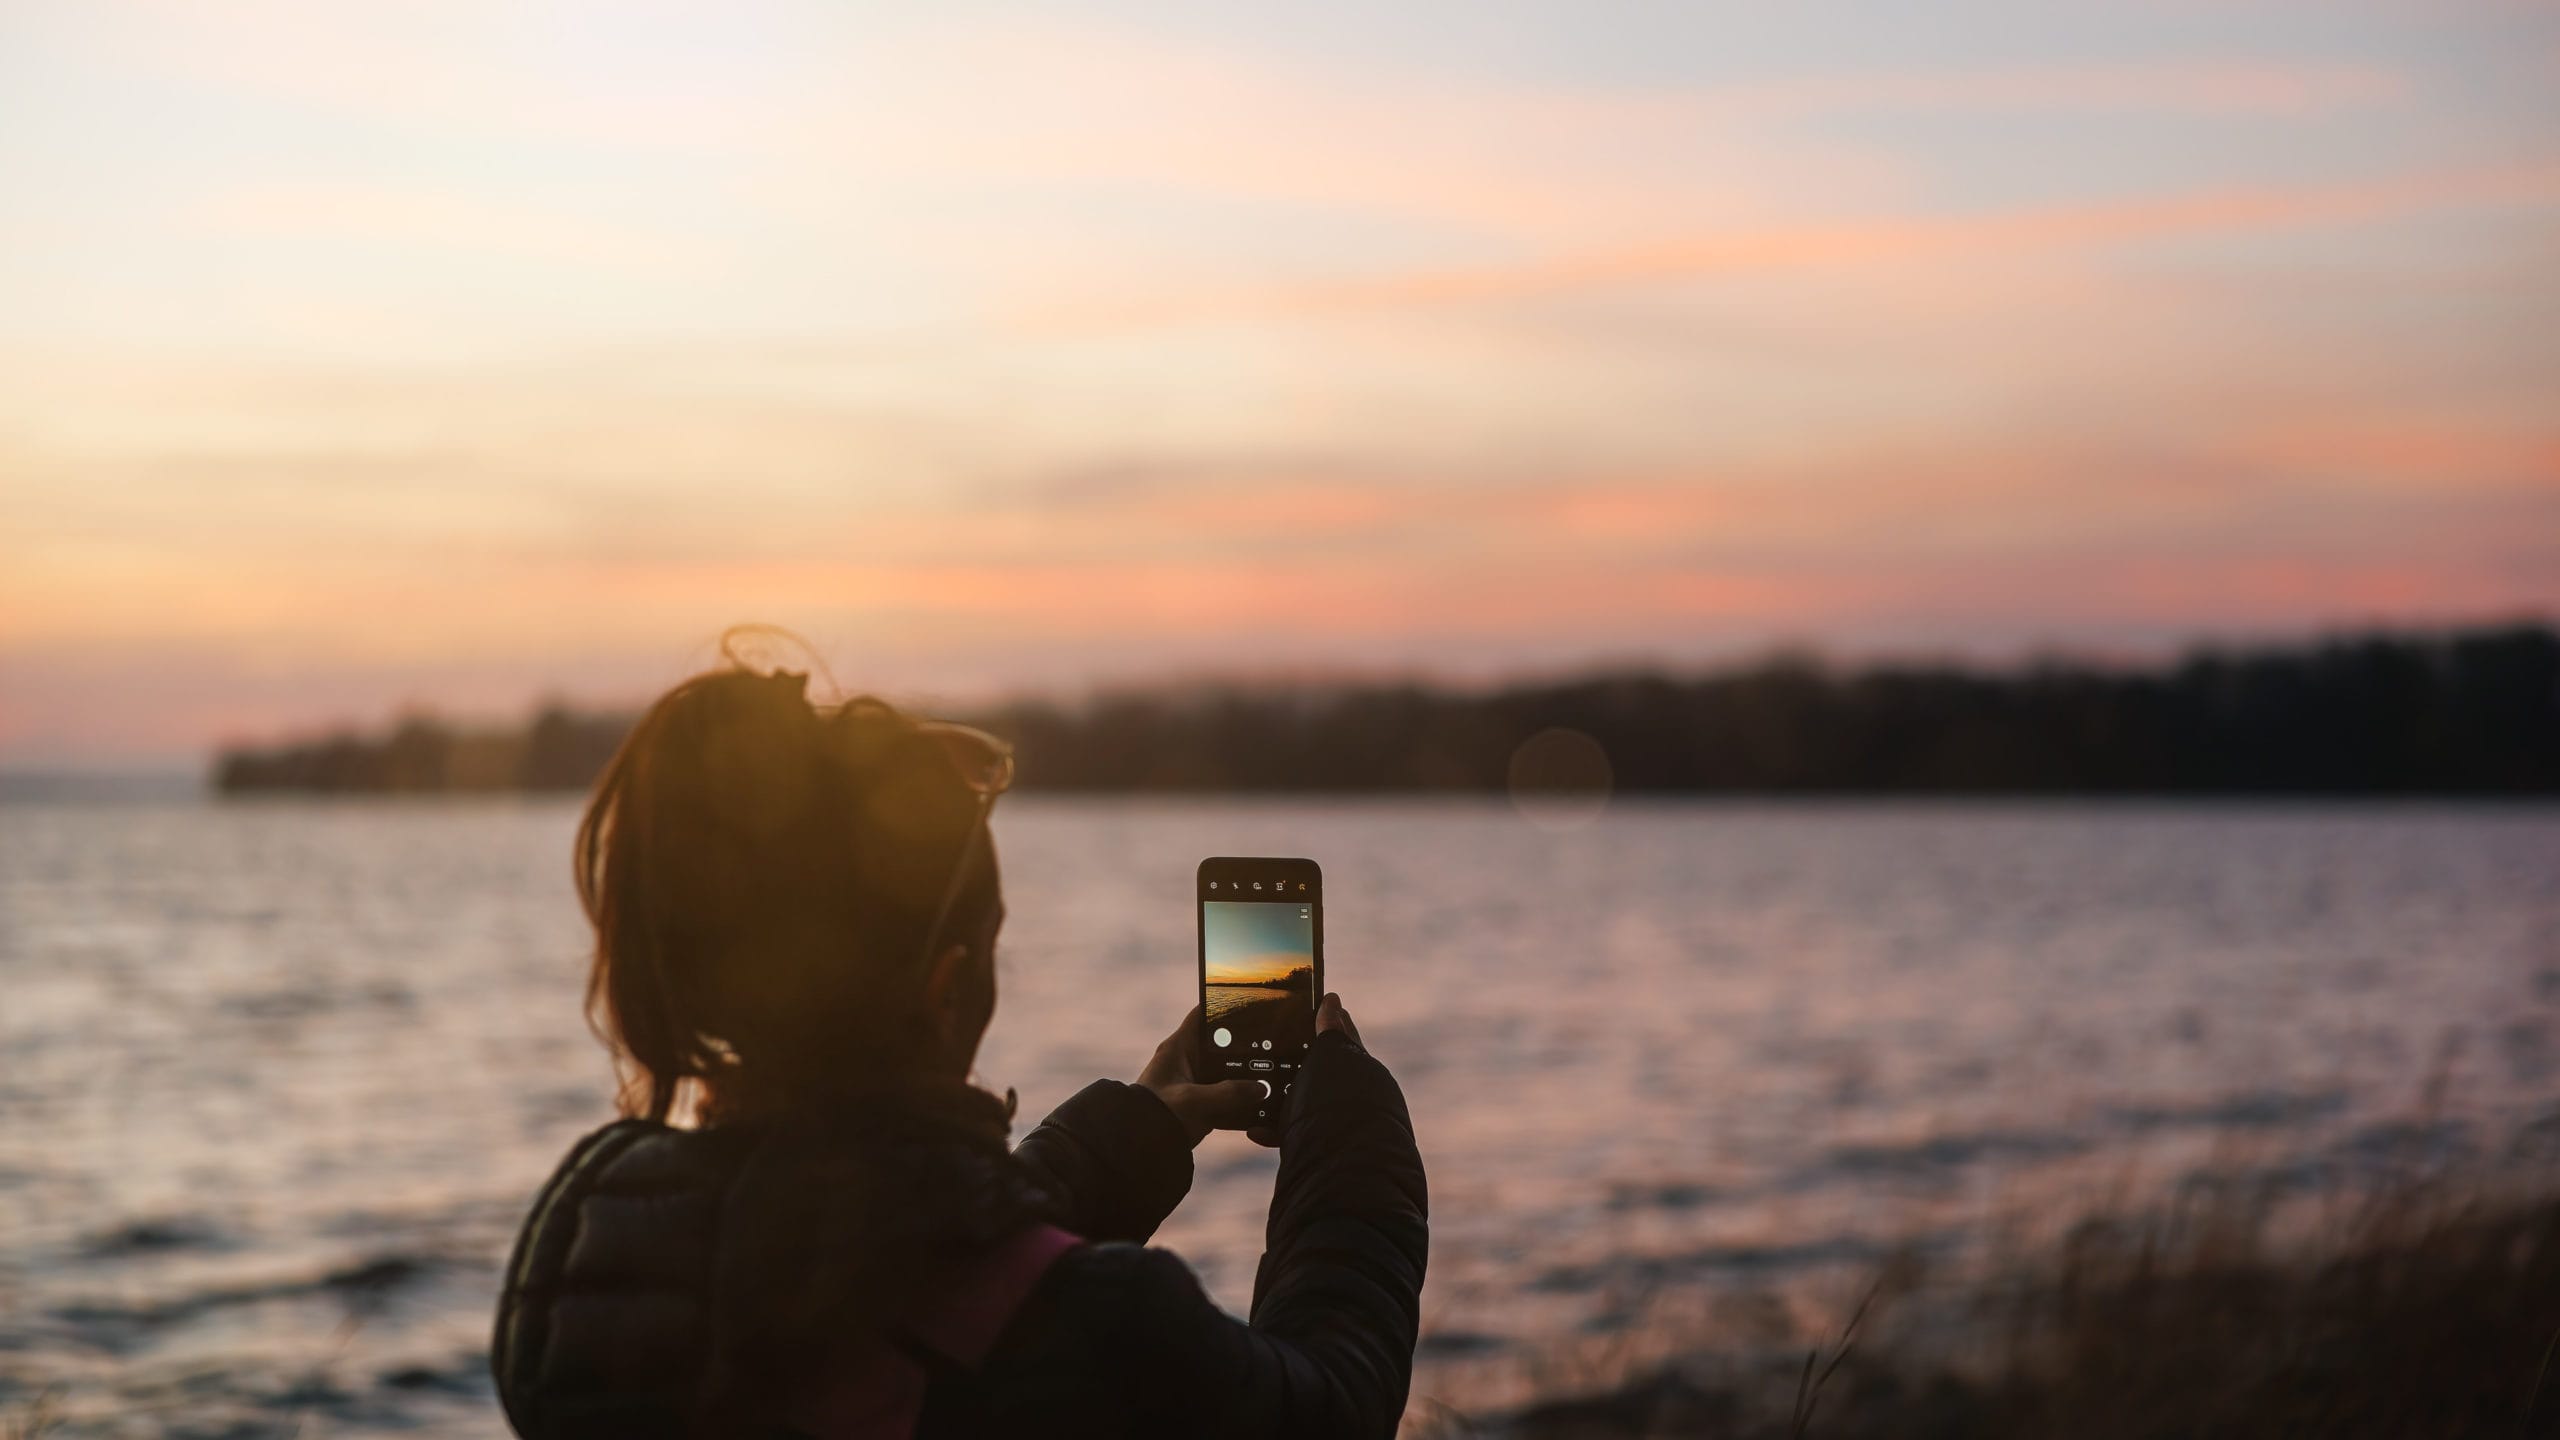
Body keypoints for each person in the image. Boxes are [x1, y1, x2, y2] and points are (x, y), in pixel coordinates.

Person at [490, 661, 1428, 1439]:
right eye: (990, 945)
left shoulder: (593, 1257)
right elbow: (1329, 1406)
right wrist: (1352, 1124)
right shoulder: (1110, 1326)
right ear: (947, 991)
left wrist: (1132, 1133)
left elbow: (896, 1261)